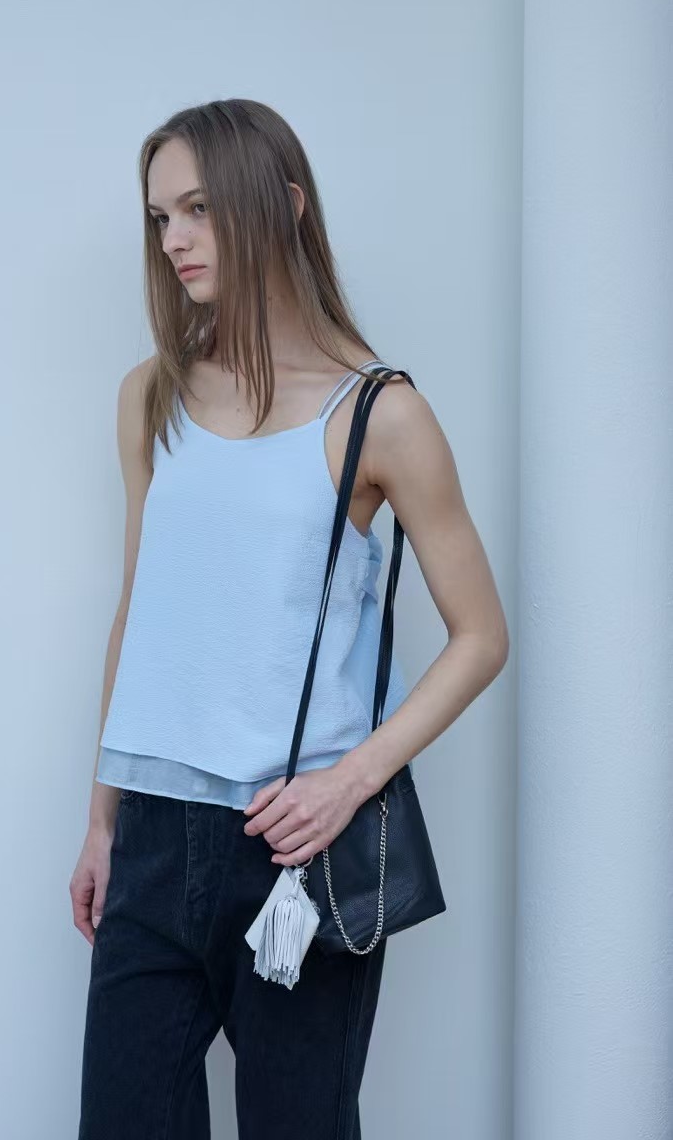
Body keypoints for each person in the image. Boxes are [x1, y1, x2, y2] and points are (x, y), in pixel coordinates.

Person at [70, 98, 509, 1139]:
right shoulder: (151, 394)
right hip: (150, 831)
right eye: (159, 217)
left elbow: (481, 635)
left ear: (285, 205)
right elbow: (142, 609)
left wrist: (348, 781)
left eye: (197, 208)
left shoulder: (378, 413)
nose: (172, 239)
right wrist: (101, 819)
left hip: (296, 845)